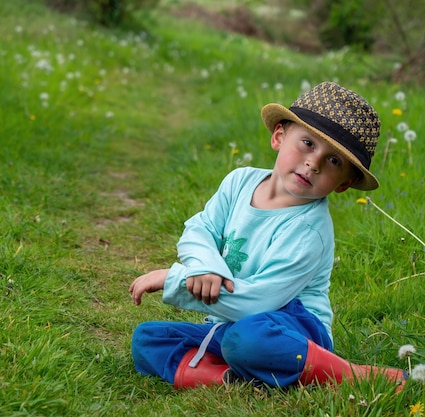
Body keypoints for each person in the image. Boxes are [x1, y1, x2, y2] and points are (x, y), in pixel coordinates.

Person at [128, 82, 406, 390]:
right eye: (308, 144)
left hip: (292, 328)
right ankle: (230, 379)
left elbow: (258, 303)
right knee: (148, 338)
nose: (313, 163)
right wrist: (205, 267)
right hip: (232, 321)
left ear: (343, 183)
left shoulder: (309, 230)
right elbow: (201, 229)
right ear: (279, 136)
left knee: (248, 337)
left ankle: (351, 375)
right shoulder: (239, 182)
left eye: (333, 161)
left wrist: (176, 281)